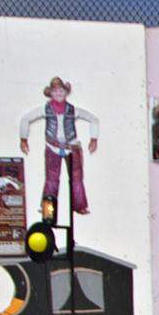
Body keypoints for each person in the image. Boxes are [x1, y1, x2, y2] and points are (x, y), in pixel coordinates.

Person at [18, 77, 99, 215]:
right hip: (53, 147)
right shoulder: (45, 109)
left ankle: (80, 206)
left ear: (66, 92)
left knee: (76, 178)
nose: (58, 94)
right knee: (51, 179)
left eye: (61, 90)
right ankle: (48, 210)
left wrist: (93, 138)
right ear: (50, 93)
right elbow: (26, 119)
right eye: (55, 91)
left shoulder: (73, 110)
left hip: (71, 147)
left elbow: (93, 119)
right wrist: (23, 138)